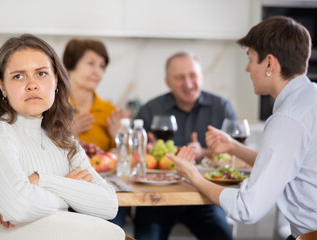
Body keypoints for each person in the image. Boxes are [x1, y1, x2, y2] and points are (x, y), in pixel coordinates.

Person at [170, 16, 317, 240]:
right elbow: (287, 164)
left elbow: (247, 208)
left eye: (250, 59)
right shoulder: (309, 99)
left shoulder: (288, 120)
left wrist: (194, 176)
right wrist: (233, 147)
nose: (248, 68)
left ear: (269, 63)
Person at [0, 34, 118, 228]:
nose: (32, 85)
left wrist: (40, 180)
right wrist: (70, 189)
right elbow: (17, 206)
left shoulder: (64, 140)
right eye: (18, 76)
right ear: (2, 86)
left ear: (56, 80)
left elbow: (109, 205)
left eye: (41, 73)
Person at [134, 52, 235, 240]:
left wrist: (204, 152)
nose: (188, 83)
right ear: (167, 82)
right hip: (157, 200)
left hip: (203, 199)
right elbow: (135, 158)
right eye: (180, 78)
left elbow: (235, 157)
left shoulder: (221, 107)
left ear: (201, 76)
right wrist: (145, 152)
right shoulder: (150, 110)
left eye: (193, 75)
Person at [62, 39, 128, 153]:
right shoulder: (54, 108)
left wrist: (120, 138)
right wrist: (66, 134)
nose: (97, 72)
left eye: (102, 66)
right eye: (90, 63)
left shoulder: (110, 112)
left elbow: (128, 159)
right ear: (70, 64)